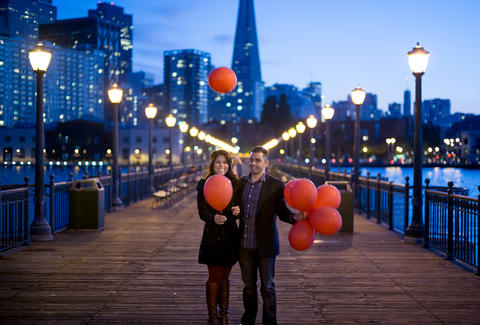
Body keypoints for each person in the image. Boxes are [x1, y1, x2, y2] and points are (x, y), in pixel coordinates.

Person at [235, 146, 303, 325]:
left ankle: (270, 321)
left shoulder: (275, 185)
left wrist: (295, 218)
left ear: (266, 163)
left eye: (257, 160)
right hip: (245, 245)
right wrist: (233, 211)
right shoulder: (241, 183)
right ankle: (248, 320)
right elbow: (233, 206)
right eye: (251, 159)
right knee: (249, 287)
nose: (253, 163)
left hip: (266, 245)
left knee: (267, 287)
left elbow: (282, 211)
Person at [197, 149, 241, 325]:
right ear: (212, 164)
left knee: (225, 276)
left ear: (229, 165)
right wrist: (213, 217)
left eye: (225, 162)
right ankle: (213, 315)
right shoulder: (204, 183)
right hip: (212, 236)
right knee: (214, 275)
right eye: (218, 162)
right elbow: (202, 212)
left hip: (230, 235)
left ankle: (224, 313)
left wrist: (237, 212)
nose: (221, 165)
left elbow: (238, 209)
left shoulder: (236, 184)